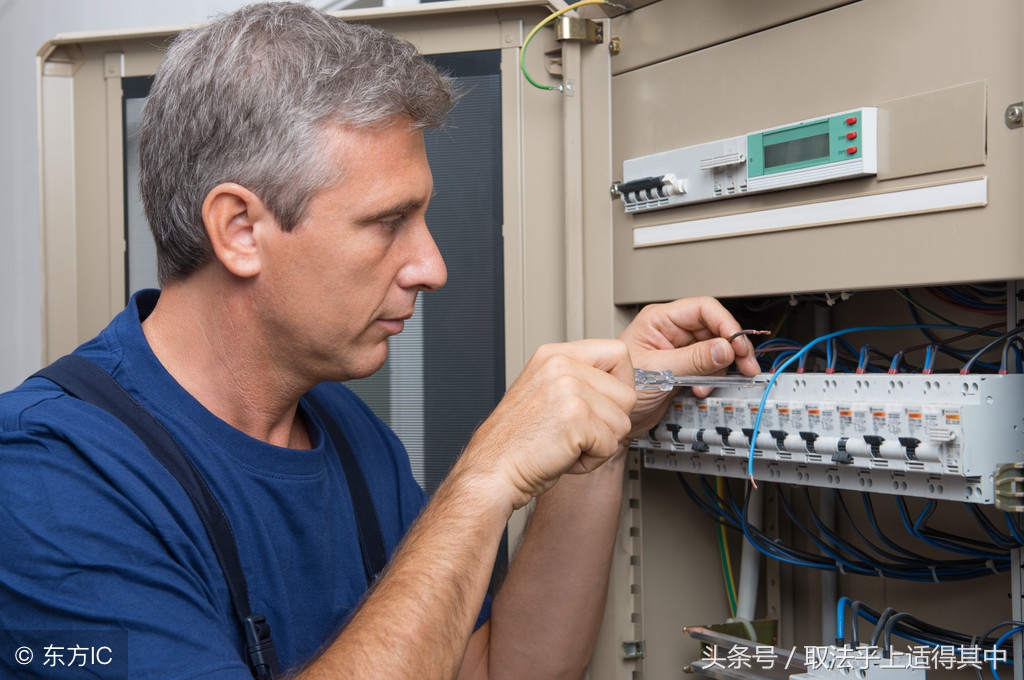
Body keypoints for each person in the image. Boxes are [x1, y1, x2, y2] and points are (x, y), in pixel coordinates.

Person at [0, 3, 760, 678]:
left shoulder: (348, 433)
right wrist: (483, 480)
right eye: (388, 222)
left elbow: (497, 669)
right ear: (239, 231)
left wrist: (604, 429)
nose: (432, 266)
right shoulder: (46, 477)